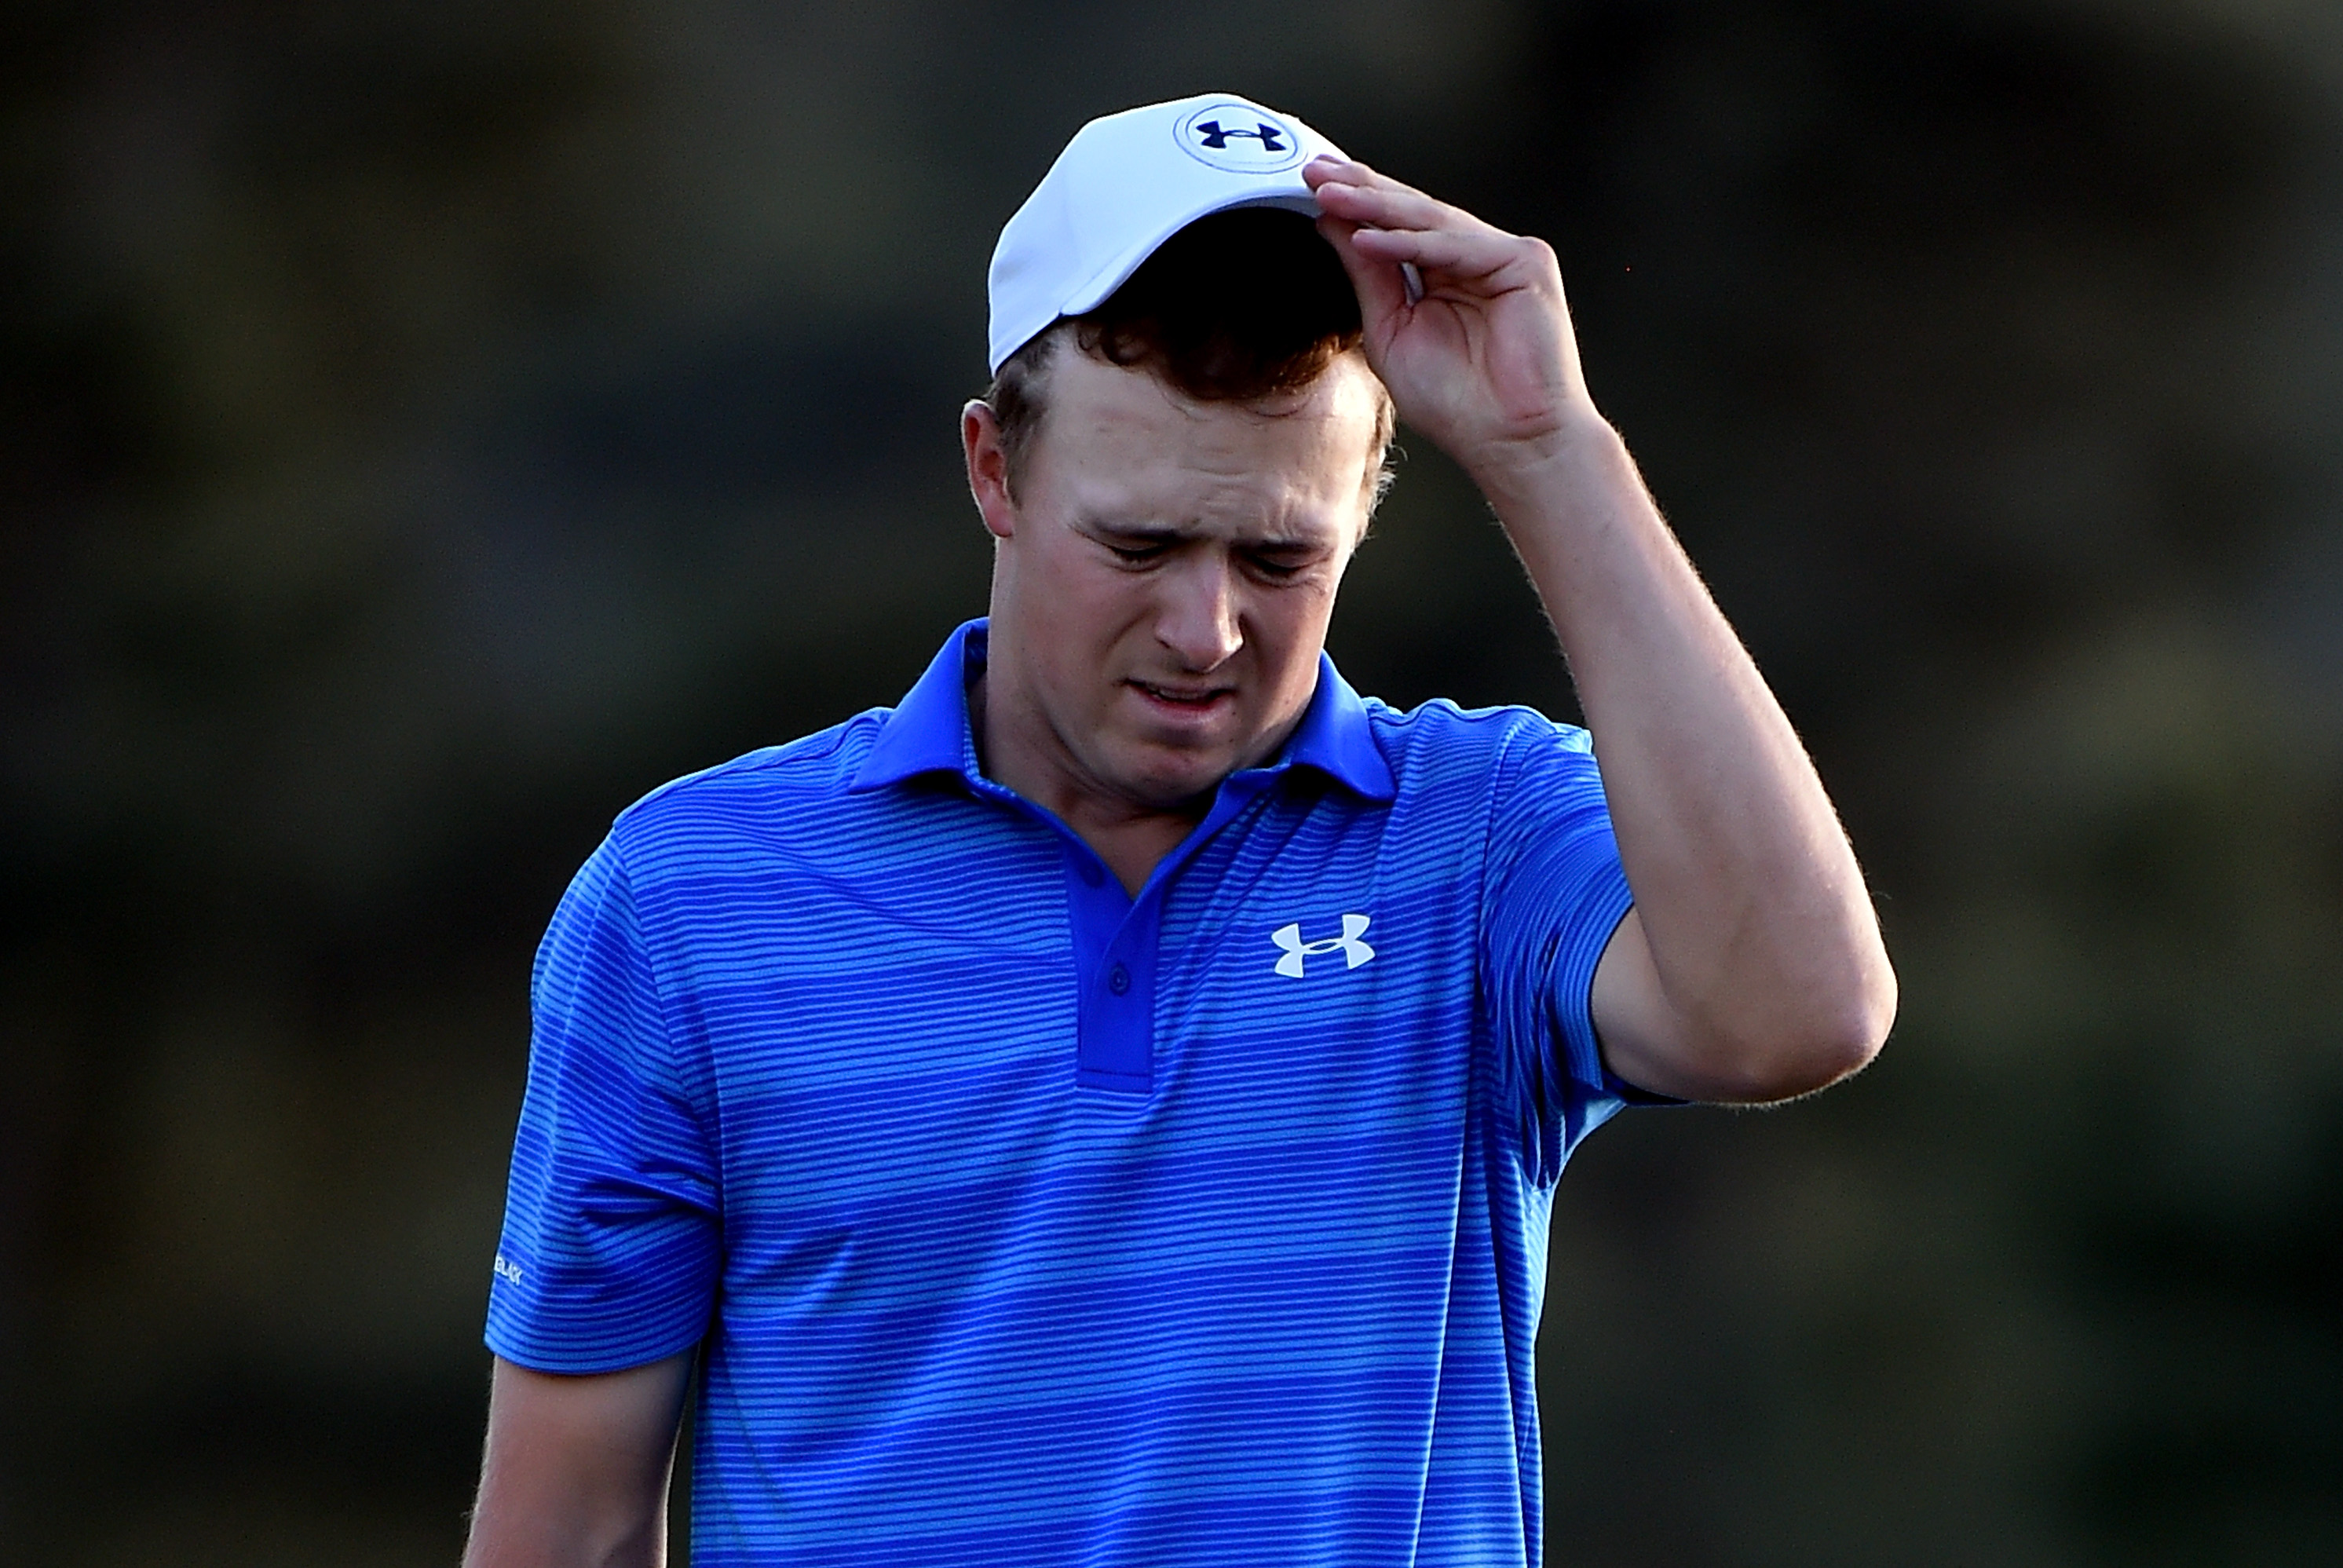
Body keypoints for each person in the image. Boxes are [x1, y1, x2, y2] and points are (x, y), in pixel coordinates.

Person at [461, 93, 1895, 1567]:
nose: (1206, 631)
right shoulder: (689, 900)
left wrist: (1549, 447)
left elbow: (1797, 1010)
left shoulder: (1480, 838)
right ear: (995, 469)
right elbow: (564, 1532)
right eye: (1138, 544)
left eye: (1279, 556)